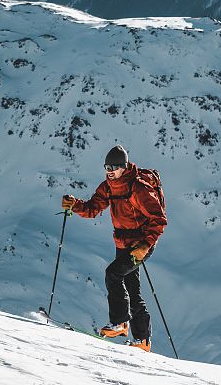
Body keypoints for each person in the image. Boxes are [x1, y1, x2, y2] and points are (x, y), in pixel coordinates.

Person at [61, 144, 167, 352]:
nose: (109, 171)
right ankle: (142, 341)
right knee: (132, 290)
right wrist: (75, 205)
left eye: (114, 167)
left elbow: (159, 219)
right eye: (107, 167)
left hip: (140, 245)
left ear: (124, 167)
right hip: (122, 244)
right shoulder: (108, 187)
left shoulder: (138, 188)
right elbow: (93, 208)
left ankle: (120, 323)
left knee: (113, 273)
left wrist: (145, 245)